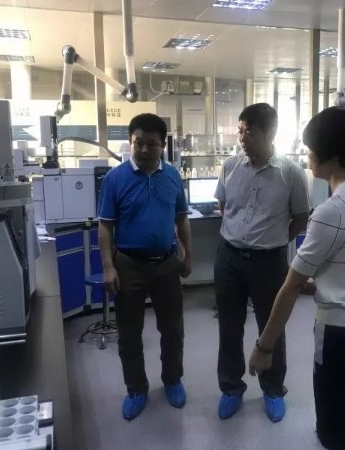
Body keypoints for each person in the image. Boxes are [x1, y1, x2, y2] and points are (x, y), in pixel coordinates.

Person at [249, 106, 345, 450]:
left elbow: (291, 285)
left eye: (311, 149)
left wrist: (263, 347)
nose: (307, 156)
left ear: (333, 157)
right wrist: (323, 282)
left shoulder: (332, 211)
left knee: (334, 416)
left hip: (341, 334)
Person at [214, 102, 310, 422]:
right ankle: (231, 387)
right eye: (240, 131)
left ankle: (272, 389)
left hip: (269, 262)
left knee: (272, 325)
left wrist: (275, 239)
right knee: (229, 326)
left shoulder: (291, 173)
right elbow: (224, 207)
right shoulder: (230, 166)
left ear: (271, 133)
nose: (243, 138)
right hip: (229, 258)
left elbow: (301, 218)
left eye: (250, 132)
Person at [97, 113, 193, 421]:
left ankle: (172, 379)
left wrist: (188, 254)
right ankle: (136, 389)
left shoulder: (172, 176)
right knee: (129, 333)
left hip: (166, 263)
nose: (144, 150)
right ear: (130, 142)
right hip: (129, 265)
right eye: (138, 143)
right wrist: (108, 266)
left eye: (152, 144)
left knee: (173, 329)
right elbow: (105, 226)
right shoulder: (115, 179)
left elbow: (181, 218)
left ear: (163, 145)